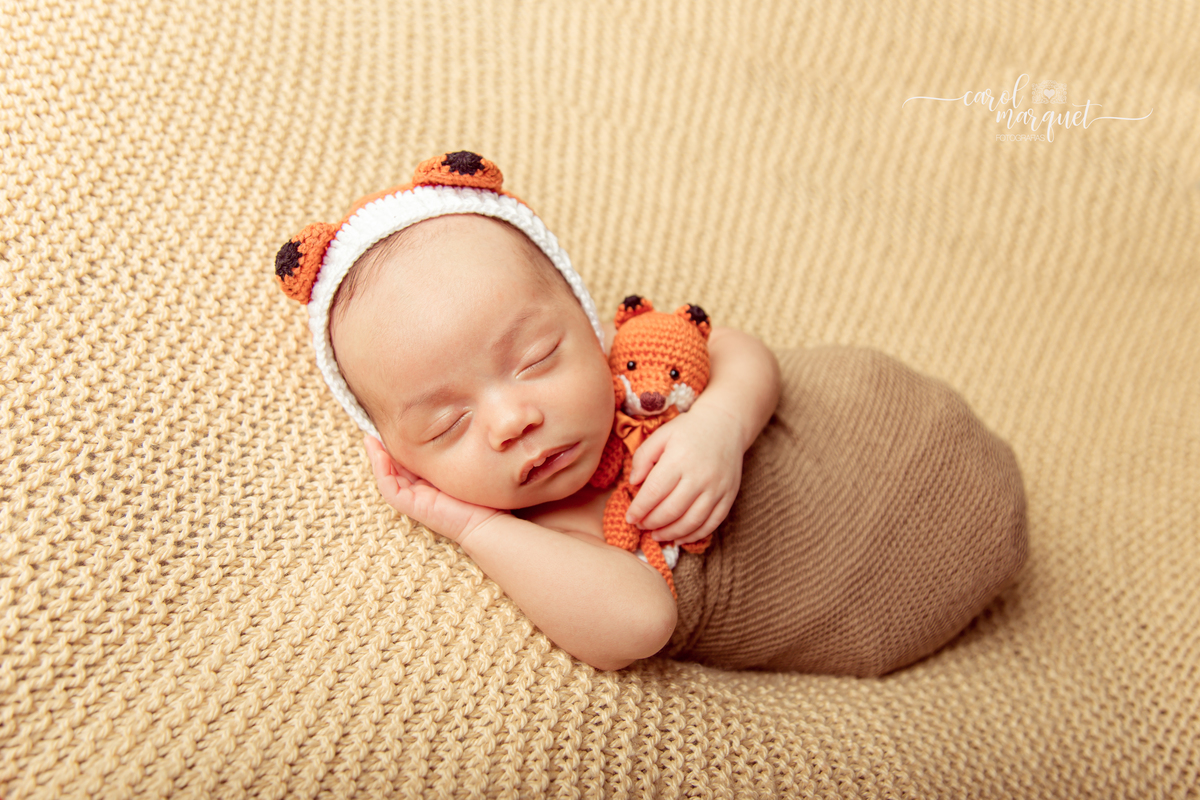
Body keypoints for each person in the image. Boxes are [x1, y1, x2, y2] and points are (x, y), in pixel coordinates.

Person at [275, 151, 1028, 675]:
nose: (511, 420)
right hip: (882, 583)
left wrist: (721, 425)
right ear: (402, 456)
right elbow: (640, 623)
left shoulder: (642, 369)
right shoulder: (544, 534)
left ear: (587, 321)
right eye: (446, 425)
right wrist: (473, 526)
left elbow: (737, 350)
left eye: (536, 358)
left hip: (884, 423)